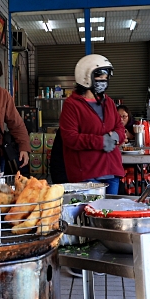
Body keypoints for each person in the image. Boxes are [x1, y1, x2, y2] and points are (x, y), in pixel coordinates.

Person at [58, 54, 126, 194]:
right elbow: (70, 137)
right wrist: (100, 141)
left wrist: (116, 137)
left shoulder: (109, 102)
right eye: (99, 76)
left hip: (112, 171)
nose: (104, 80)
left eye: (106, 77)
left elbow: (119, 126)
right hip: (87, 174)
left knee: (109, 214)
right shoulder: (72, 105)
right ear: (85, 77)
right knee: (91, 213)